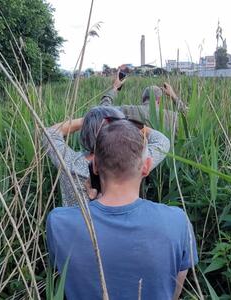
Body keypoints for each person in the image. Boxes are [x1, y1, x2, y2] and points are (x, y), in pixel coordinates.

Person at [46, 119, 198, 299]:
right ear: (147, 167)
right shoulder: (177, 221)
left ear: (94, 166)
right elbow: (174, 292)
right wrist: (130, 122)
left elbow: (49, 134)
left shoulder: (59, 222)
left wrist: (88, 119)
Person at [42, 106, 170, 206]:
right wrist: (128, 125)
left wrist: (86, 121)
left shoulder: (69, 162)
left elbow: (50, 133)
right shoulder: (131, 160)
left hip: (78, 233)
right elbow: (162, 141)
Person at [100, 72, 188, 131]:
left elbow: (103, 109)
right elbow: (189, 117)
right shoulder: (171, 116)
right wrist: (173, 95)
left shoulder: (128, 110)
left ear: (143, 99)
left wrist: (115, 88)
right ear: (159, 100)